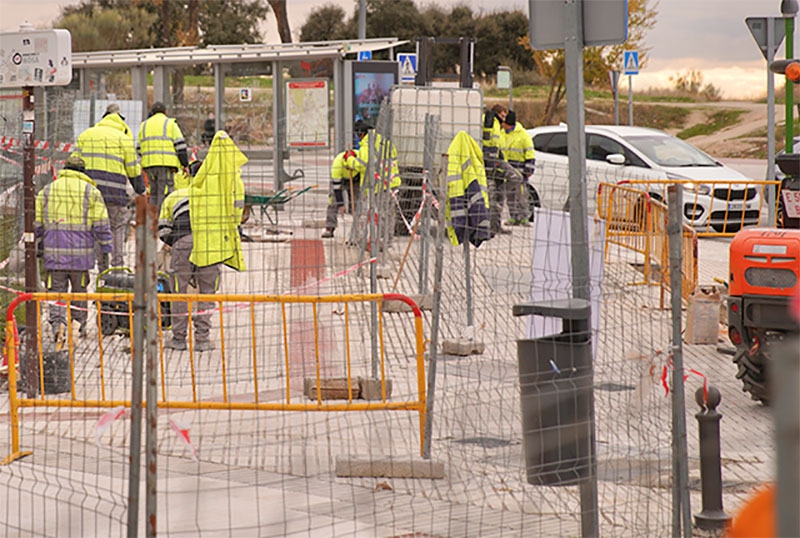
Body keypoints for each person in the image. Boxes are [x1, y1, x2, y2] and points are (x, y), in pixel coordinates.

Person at [159, 131, 246, 352]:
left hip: (183, 244)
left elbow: (162, 229)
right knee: (207, 293)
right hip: (210, 245)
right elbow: (233, 221)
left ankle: (178, 339)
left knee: (179, 292)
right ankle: (202, 340)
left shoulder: (175, 196)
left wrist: (177, 241)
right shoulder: (216, 198)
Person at [35, 154, 113, 347]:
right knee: (79, 292)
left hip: (54, 255)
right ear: (82, 172)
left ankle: (58, 326)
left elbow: (37, 224)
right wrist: (106, 248)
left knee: (57, 293)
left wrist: (36, 245)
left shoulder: (46, 191)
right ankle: (78, 325)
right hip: (81, 257)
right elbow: (102, 225)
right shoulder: (91, 192)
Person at [76, 103, 143, 270]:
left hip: (91, 194)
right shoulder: (123, 138)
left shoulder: (86, 135)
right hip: (115, 194)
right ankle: (118, 266)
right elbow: (133, 168)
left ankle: (102, 267)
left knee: (98, 227)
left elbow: (74, 163)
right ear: (120, 120)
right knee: (118, 227)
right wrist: (141, 189)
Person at [344, 119, 402, 243]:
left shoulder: (367, 144)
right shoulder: (384, 141)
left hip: (378, 185)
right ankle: (387, 240)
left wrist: (349, 160)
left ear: (361, 133)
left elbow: (362, 164)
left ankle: (377, 240)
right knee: (389, 214)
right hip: (392, 182)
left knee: (378, 214)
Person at [137, 102, 190, 210]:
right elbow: (180, 146)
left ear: (152, 113)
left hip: (149, 166)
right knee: (166, 193)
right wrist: (185, 164)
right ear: (165, 112)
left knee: (153, 193)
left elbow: (138, 149)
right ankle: (163, 220)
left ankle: (153, 222)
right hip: (166, 165)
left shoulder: (144, 125)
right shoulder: (170, 124)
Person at [498, 109, 535, 227]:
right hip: (507, 171)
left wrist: (528, 170)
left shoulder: (523, 135)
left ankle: (524, 218)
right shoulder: (501, 134)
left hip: (520, 170)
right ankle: (513, 217)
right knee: (510, 196)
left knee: (521, 196)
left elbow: (530, 153)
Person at [322, 149, 359, 239]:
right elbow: (336, 189)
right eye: (348, 168)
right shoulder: (337, 164)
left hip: (355, 180)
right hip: (340, 179)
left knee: (357, 202)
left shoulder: (360, 159)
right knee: (333, 202)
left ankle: (356, 229)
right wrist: (341, 205)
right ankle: (330, 227)